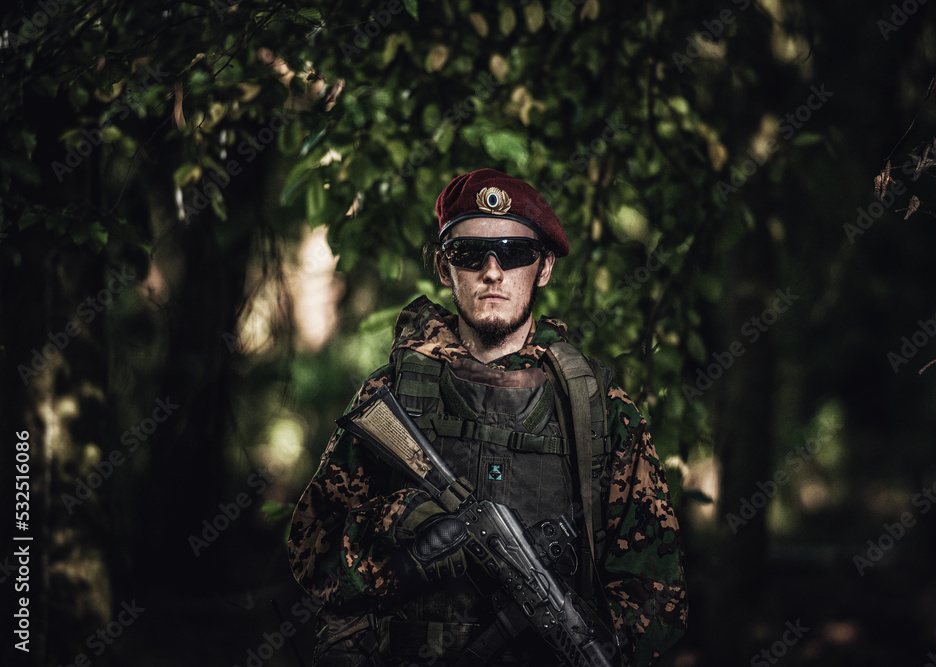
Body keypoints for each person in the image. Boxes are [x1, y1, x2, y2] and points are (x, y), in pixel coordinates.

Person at [288, 168, 687, 666]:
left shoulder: (601, 414)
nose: (492, 271)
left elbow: (659, 596)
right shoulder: (392, 394)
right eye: (469, 254)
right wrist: (404, 528)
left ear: (543, 268)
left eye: (514, 253)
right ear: (443, 267)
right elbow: (311, 553)